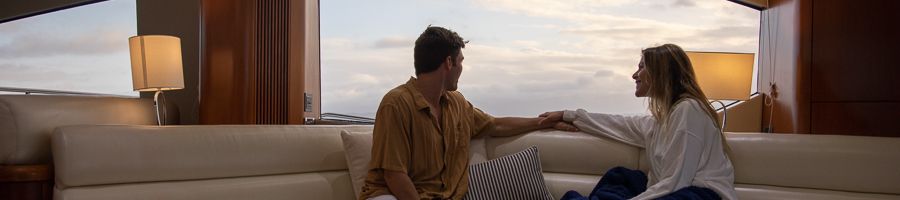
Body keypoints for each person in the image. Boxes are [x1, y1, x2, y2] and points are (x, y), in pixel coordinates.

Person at [359, 26, 572, 200]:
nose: (462, 68)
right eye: (460, 61)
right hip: (392, 195)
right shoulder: (396, 104)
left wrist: (543, 122)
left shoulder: (456, 104)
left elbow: (495, 125)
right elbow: (394, 175)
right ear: (449, 63)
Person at [539, 44, 737, 200]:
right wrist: (566, 115)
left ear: (661, 73)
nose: (634, 75)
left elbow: (677, 181)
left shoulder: (689, 110)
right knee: (621, 176)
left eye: (641, 67)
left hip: (698, 194)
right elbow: (614, 124)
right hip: (671, 190)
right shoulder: (658, 122)